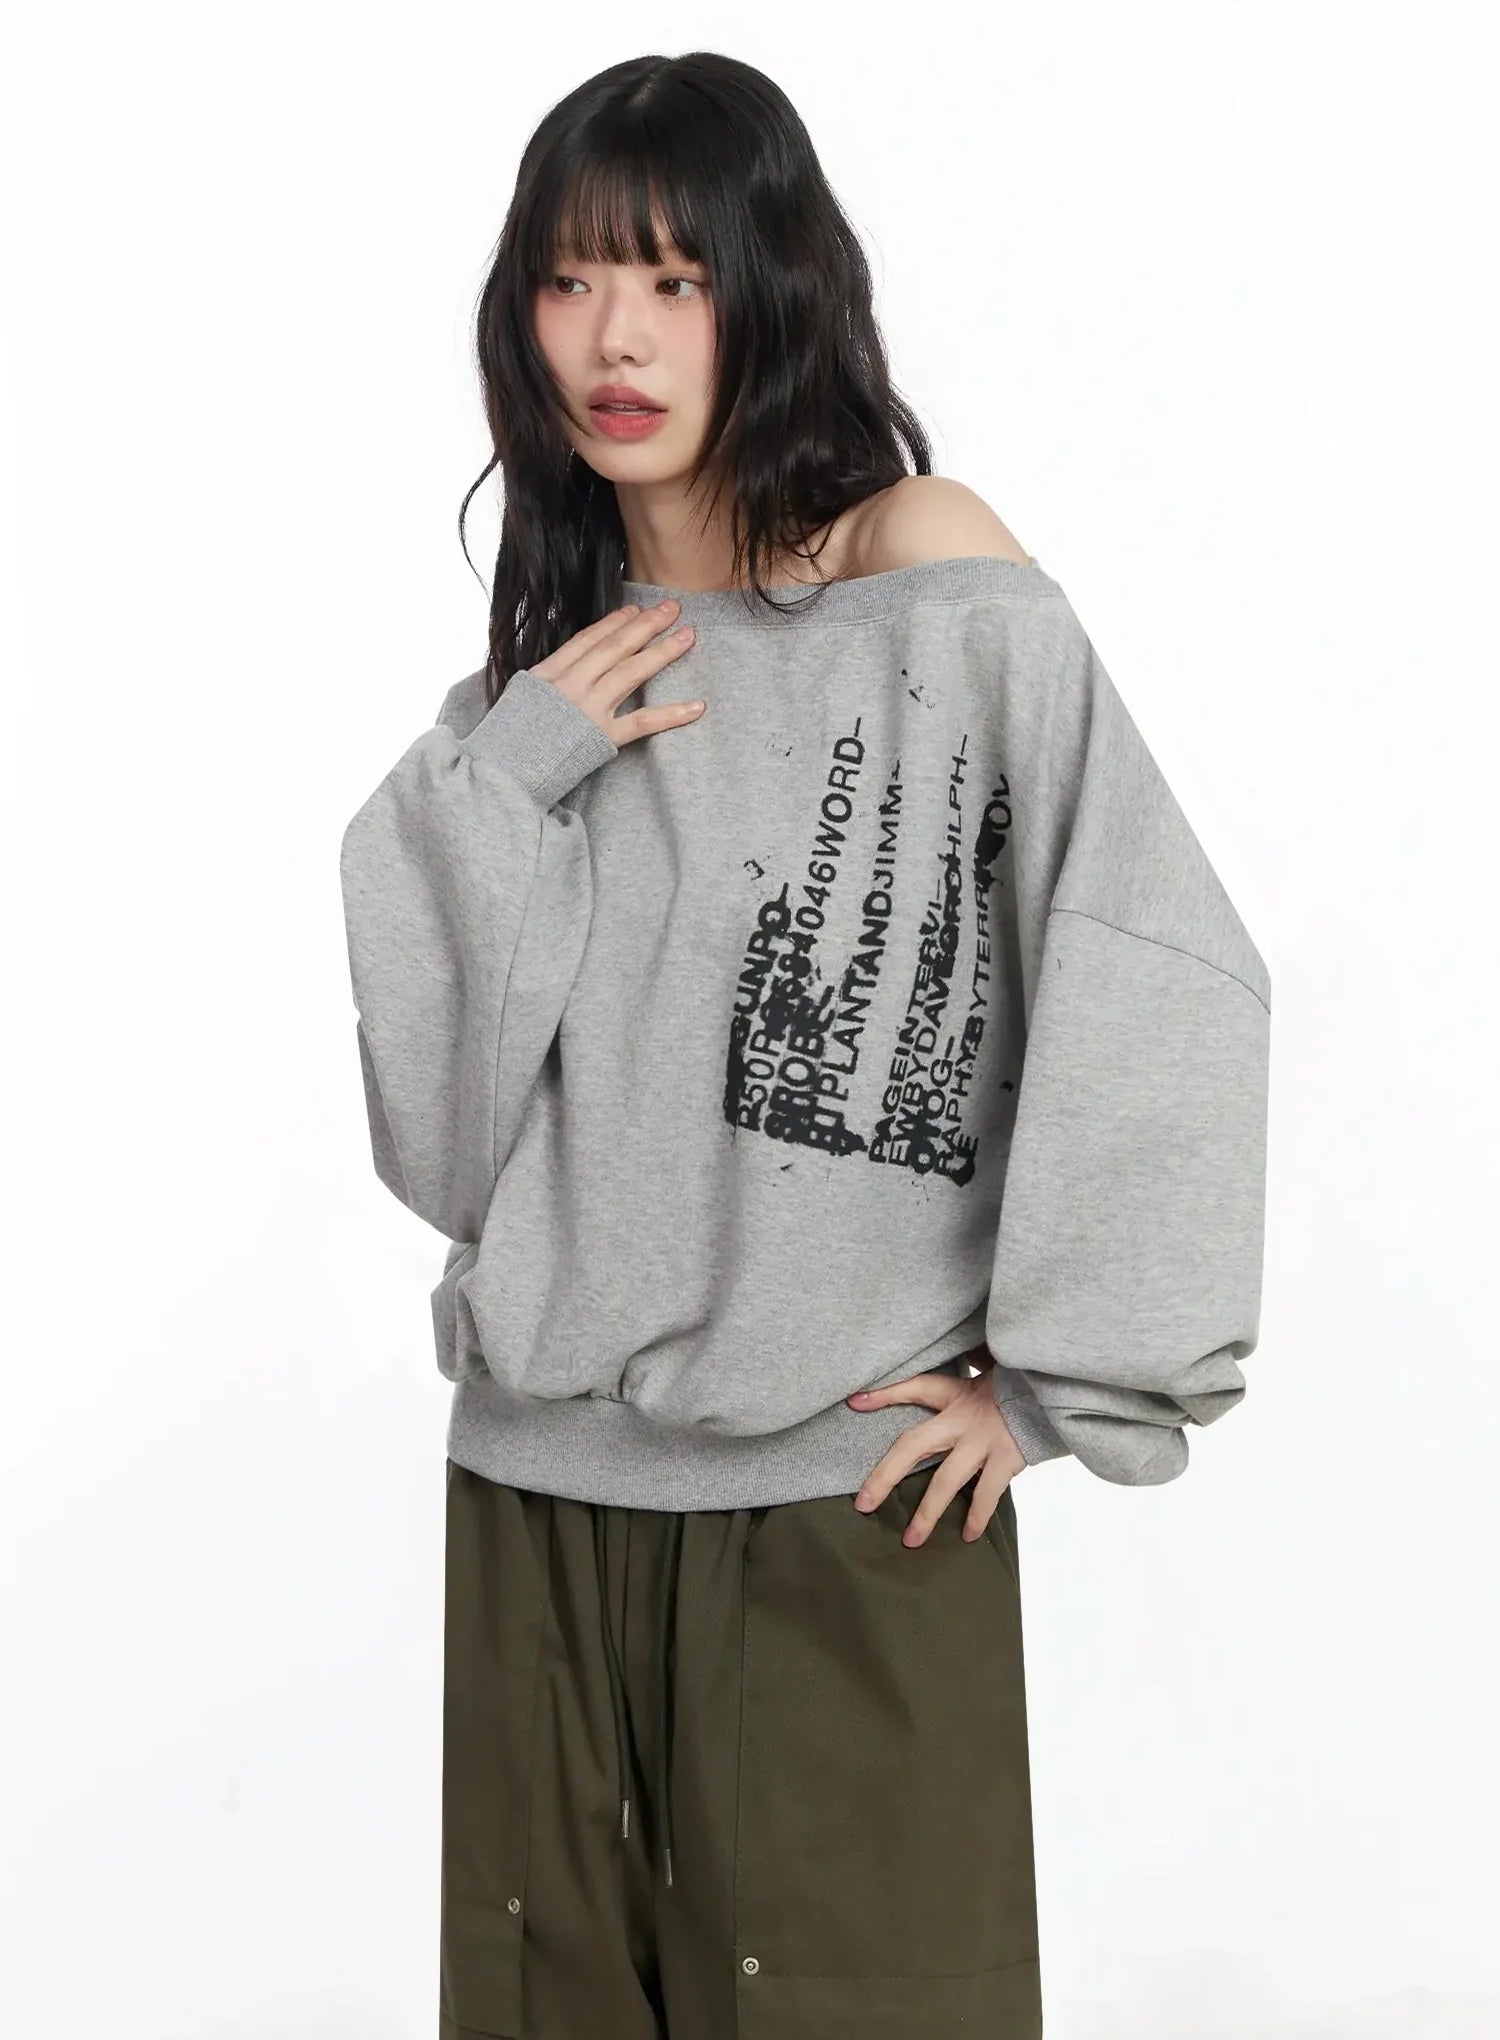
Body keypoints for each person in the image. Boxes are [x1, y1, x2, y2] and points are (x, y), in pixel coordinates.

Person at [338, 50, 1272, 2040]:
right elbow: (439, 1146)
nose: (615, 337)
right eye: (573, 278)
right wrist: (514, 776)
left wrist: (1062, 1393)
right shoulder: (528, 710)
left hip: (854, 1516)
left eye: (675, 279)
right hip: (539, 1507)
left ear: (771, 288)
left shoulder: (924, 573)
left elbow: (1151, 952)